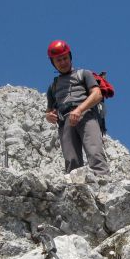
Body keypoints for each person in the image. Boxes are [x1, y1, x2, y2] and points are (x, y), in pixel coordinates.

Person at [45, 40, 109, 176]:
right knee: (71, 160)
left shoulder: (84, 74)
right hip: (64, 121)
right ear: (53, 63)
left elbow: (97, 94)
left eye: (64, 58)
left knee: (95, 152)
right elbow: (49, 111)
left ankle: (103, 184)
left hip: (86, 115)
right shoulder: (52, 87)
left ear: (70, 57)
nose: (62, 62)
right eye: (58, 60)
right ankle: (75, 192)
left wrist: (79, 110)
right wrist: (49, 116)